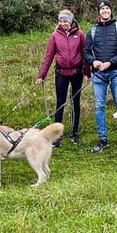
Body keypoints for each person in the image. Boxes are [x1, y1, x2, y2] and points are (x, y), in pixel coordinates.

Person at [36, 9, 90, 146]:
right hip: (61, 73)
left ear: (70, 21)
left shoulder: (79, 34)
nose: (63, 23)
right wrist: (41, 75)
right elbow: (48, 57)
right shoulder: (54, 36)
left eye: (65, 21)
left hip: (76, 73)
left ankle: (75, 133)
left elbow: (85, 54)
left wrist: (87, 73)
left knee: (75, 102)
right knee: (60, 103)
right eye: (60, 21)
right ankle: (56, 136)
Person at [84, 0, 117, 153]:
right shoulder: (92, 31)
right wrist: (94, 62)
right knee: (99, 106)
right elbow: (86, 52)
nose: (105, 11)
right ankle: (102, 140)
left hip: (116, 73)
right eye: (102, 8)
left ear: (111, 10)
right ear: (99, 12)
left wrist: (110, 63)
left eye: (107, 8)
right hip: (98, 75)